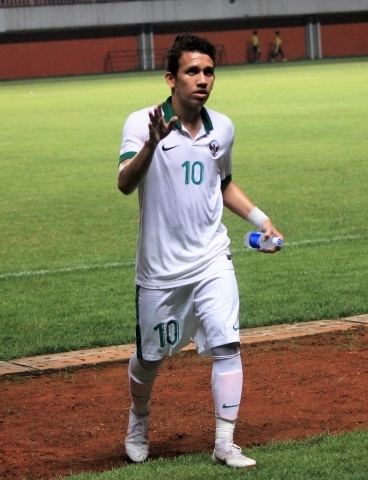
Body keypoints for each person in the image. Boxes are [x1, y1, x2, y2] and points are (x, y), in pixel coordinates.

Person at [117, 34, 283, 468]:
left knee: (228, 344)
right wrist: (153, 144)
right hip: (160, 271)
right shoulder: (142, 122)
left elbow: (222, 183)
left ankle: (224, 443)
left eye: (209, 71)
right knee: (150, 359)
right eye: (193, 71)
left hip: (212, 259)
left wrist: (259, 218)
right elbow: (124, 183)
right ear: (171, 78)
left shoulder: (222, 128)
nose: (203, 79)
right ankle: (138, 417)